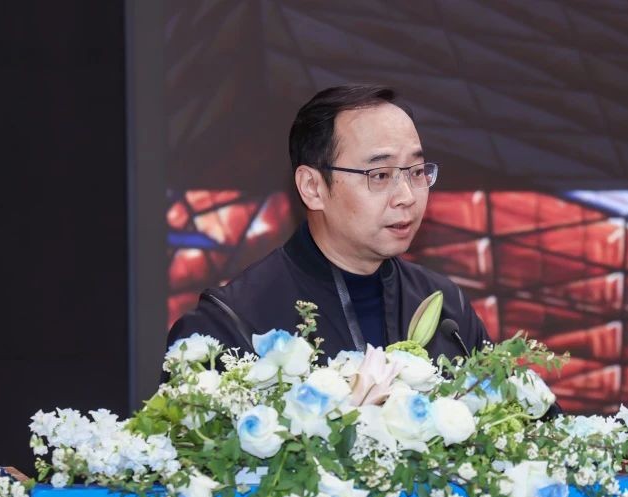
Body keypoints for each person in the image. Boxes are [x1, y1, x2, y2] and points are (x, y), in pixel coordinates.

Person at [164, 84, 491, 368]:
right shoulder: (231, 324)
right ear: (312, 187)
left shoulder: (447, 309)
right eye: (380, 175)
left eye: (417, 172)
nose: (407, 196)